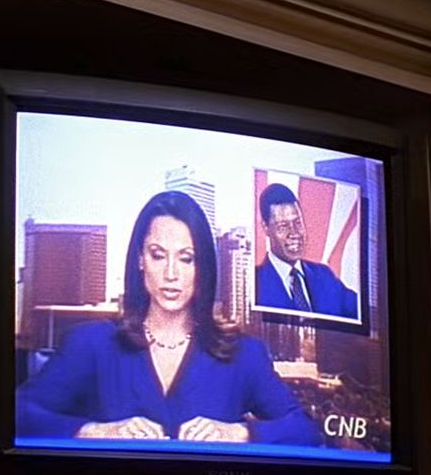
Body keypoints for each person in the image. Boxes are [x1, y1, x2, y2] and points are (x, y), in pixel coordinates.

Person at [16, 191, 319, 445]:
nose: (171, 274)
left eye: (186, 259)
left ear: (203, 267)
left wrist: (241, 433)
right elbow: (17, 412)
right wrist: (93, 431)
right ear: (140, 259)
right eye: (158, 255)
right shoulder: (91, 344)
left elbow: (305, 429)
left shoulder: (244, 355)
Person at [254, 183, 359, 319]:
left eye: (298, 223)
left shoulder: (325, 276)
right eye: (283, 226)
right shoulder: (255, 284)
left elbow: (364, 312)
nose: (294, 233)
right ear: (265, 228)